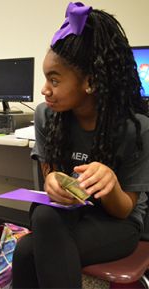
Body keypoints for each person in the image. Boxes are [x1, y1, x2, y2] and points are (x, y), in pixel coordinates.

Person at [12, 2, 149, 288]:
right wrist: (51, 180)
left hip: (117, 224)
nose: (44, 89)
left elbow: (125, 211)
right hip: (67, 216)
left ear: (90, 82)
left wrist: (110, 185)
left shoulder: (135, 128)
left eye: (54, 80)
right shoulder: (46, 115)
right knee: (43, 219)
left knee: (28, 250)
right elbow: (49, 174)